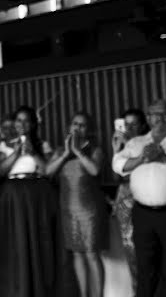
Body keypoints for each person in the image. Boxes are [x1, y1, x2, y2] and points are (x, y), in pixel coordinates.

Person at [111, 99, 166, 297]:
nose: (158, 118)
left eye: (162, 114)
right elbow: (117, 164)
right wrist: (141, 158)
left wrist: (165, 158)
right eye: (153, 114)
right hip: (142, 214)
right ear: (148, 119)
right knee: (145, 268)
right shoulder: (136, 143)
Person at [0, 105, 58, 297]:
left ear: (32, 124)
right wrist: (16, 153)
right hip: (13, 195)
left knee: (37, 239)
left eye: (26, 121)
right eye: (18, 120)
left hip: (36, 195)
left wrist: (32, 153)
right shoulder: (5, 145)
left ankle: (39, 287)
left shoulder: (42, 144)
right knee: (16, 239)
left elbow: (48, 170)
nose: (21, 124)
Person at [46, 112, 107, 297]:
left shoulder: (95, 150)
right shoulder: (60, 151)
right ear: (69, 127)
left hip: (90, 210)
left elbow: (94, 170)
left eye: (82, 125)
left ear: (88, 130)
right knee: (77, 254)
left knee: (91, 254)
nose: (78, 128)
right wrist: (66, 153)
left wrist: (78, 151)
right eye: (75, 124)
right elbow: (48, 172)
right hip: (68, 210)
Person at [110, 108, 149, 293]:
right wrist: (117, 150)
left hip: (145, 196)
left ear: (143, 125)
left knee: (148, 250)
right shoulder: (122, 146)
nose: (130, 128)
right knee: (131, 250)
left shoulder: (149, 143)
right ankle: (137, 290)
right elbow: (117, 177)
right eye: (127, 124)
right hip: (125, 199)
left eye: (134, 124)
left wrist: (132, 147)